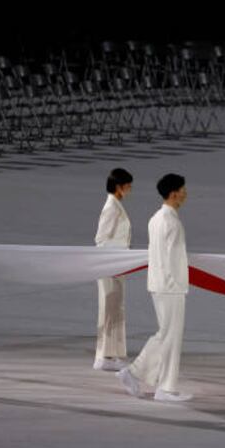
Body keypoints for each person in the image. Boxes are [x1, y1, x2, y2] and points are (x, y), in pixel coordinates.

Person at [118, 174, 193, 402]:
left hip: (158, 283)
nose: (185, 193)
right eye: (182, 189)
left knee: (166, 334)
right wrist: (178, 283)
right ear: (173, 193)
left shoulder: (155, 218)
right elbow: (172, 258)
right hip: (170, 286)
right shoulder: (172, 222)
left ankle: (135, 373)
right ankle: (165, 388)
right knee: (171, 336)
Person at [93, 168, 133, 372]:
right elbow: (101, 238)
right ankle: (106, 355)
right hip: (110, 265)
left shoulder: (116, 205)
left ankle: (114, 353)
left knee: (116, 309)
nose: (130, 189)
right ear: (119, 186)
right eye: (127, 185)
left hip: (117, 264)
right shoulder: (111, 208)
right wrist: (113, 258)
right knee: (110, 309)